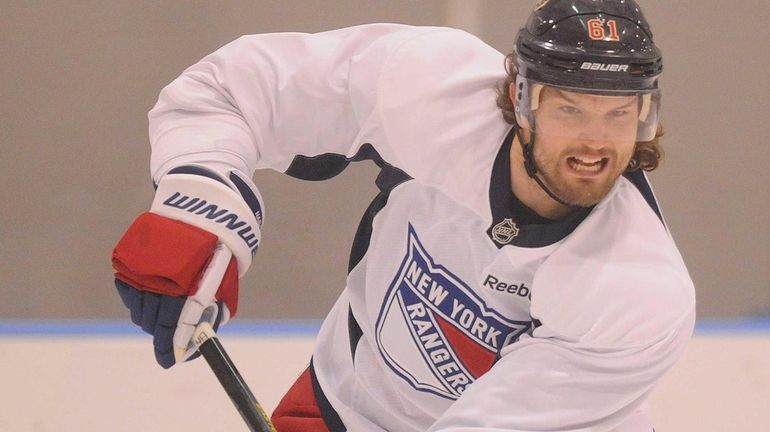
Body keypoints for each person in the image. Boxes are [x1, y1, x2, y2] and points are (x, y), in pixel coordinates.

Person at [111, 0, 695, 430]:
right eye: (569, 109)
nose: (596, 144)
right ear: (520, 97)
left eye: (620, 114)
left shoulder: (638, 294)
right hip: (346, 400)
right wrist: (200, 212)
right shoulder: (430, 89)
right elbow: (233, 91)